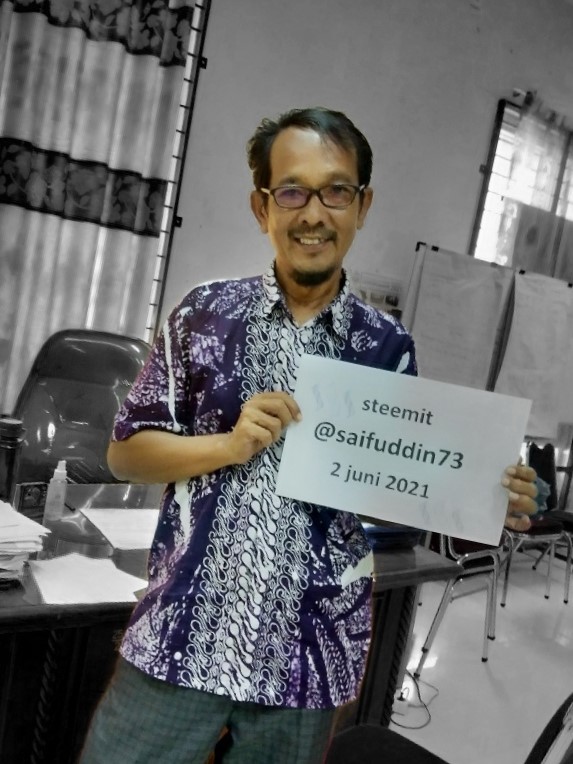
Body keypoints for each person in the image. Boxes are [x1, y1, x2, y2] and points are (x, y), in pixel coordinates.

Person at [80, 107, 537, 764]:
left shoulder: (386, 347)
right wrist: (229, 446)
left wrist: (487, 492)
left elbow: (398, 483)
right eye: (292, 191)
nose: (313, 213)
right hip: (180, 636)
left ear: (362, 205)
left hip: (306, 658)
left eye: (336, 191)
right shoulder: (202, 315)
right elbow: (125, 454)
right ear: (261, 206)